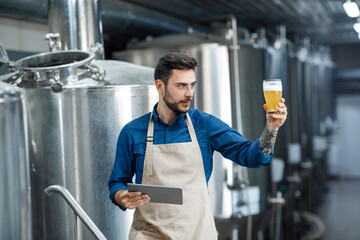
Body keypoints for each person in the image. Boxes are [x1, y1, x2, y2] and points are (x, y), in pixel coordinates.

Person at [108, 52, 287, 239]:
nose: (189, 93)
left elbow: (253, 157)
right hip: (149, 234)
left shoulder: (205, 125)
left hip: (197, 234)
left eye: (192, 85)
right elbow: (117, 182)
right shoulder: (132, 132)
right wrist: (121, 196)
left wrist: (272, 128)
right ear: (160, 87)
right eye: (181, 86)